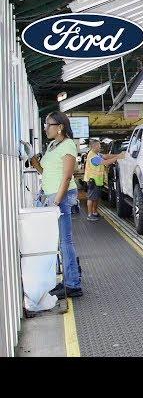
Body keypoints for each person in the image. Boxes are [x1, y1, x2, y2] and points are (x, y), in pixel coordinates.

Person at [30, 111, 83, 298]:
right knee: (58, 241)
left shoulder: (68, 145)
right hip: (52, 197)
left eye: (48, 125)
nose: (45, 128)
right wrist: (33, 159)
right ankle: (70, 279)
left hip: (61, 197)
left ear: (59, 127)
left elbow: (67, 176)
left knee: (65, 241)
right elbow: (45, 172)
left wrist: (57, 202)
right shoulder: (52, 145)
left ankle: (73, 284)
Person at [84, 139, 124, 221]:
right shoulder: (93, 157)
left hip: (97, 181)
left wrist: (118, 154)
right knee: (91, 198)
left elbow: (106, 156)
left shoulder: (97, 154)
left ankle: (94, 212)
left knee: (96, 198)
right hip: (93, 181)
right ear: (94, 146)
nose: (100, 147)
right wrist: (118, 157)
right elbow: (106, 162)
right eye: (99, 146)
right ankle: (89, 215)